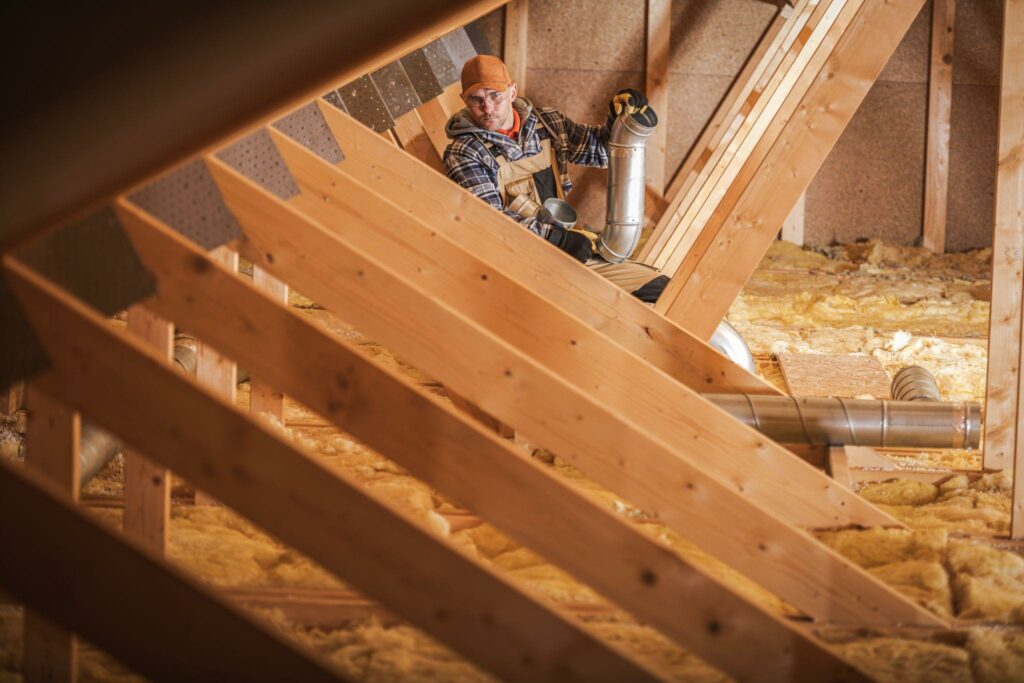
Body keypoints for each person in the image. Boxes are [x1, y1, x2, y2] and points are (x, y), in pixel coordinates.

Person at [443, 55, 669, 304]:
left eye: (495, 95)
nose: (487, 108)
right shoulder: (465, 152)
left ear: (512, 92)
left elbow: (600, 152)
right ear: (464, 100)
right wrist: (555, 238)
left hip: (565, 250)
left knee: (661, 291)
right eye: (477, 99)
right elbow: (490, 222)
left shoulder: (547, 124)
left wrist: (617, 123)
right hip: (516, 265)